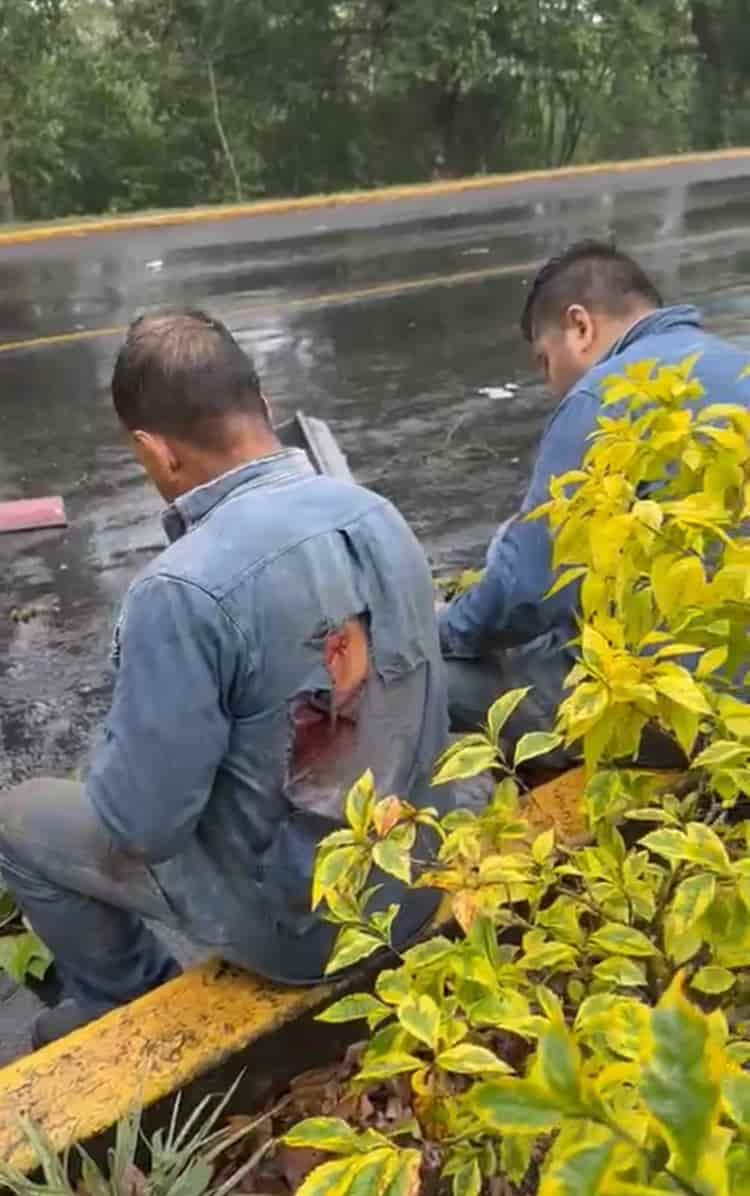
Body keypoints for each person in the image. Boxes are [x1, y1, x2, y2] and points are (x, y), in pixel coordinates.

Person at [0, 310, 452, 1048]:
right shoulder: (377, 514)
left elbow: (144, 826)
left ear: (155, 451)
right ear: (264, 407)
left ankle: (141, 1008)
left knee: (21, 820)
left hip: (302, 936)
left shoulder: (180, 590)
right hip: (412, 881)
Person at [439, 239, 750, 756]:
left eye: (545, 362)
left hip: (690, 709)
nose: (550, 384)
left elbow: (526, 591)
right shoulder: (736, 363)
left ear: (579, 327)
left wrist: (445, 630)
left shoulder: (603, 394)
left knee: (424, 675)